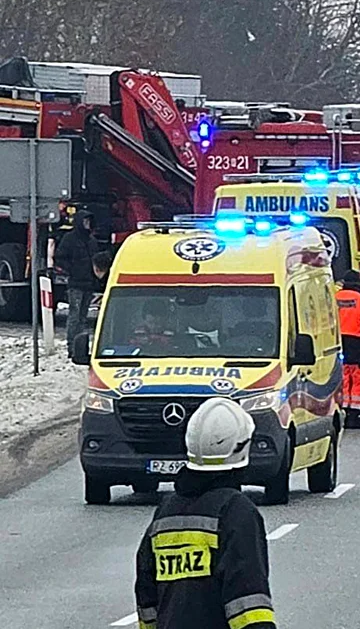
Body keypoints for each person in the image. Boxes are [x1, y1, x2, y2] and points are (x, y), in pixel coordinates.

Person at [134, 397, 276, 629]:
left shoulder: (166, 514)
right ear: (241, 447)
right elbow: (249, 603)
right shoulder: (236, 512)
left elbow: (147, 598)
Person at [58, 208, 101, 358]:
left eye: (89, 221)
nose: (87, 224)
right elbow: (61, 258)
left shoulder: (92, 240)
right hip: (75, 283)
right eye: (85, 221)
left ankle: (81, 348)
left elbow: (96, 261)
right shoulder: (70, 239)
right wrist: (72, 270)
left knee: (83, 318)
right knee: (74, 316)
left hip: (88, 283)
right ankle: (71, 347)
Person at [336, 270, 360, 428]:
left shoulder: (336, 296)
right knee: (358, 375)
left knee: (344, 373)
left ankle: (343, 409)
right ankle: (355, 412)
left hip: (338, 339)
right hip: (356, 340)